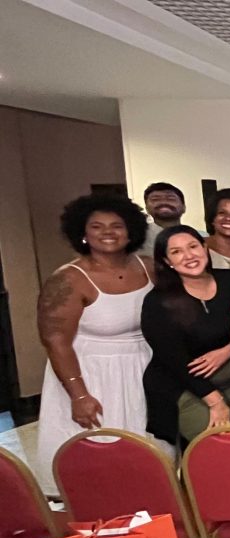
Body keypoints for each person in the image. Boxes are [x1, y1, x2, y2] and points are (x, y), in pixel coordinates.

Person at [36, 194, 155, 492]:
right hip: (92, 375)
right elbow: (54, 340)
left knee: (148, 454)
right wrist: (78, 395)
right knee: (98, 454)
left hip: (143, 367)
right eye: (97, 226)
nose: (108, 232)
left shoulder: (150, 267)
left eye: (117, 225)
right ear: (83, 233)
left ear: (131, 231)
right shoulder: (69, 279)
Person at [142, 226, 230, 449]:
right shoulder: (158, 301)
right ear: (167, 261)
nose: (189, 256)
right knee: (224, 448)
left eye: (193, 246)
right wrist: (216, 403)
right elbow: (174, 361)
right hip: (186, 388)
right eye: (177, 252)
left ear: (205, 248)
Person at [140, 182, 187, 256]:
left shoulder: (194, 236)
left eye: (171, 199)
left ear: (184, 207)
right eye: (155, 199)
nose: (163, 202)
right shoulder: (138, 237)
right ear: (147, 208)